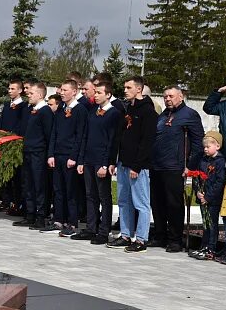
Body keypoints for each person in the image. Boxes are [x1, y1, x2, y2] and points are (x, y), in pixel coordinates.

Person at [149, 86, 204, 252]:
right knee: (157, 203)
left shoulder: (189, 115)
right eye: (165, 96)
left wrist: (190, 166)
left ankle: (175, 239)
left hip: (175, 166)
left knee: (174, 203)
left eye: (171, 96)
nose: (167, 99)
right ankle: (160, 235)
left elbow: (197, 143)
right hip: (157, 165)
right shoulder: (163, 115)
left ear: (181, 96)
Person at [107, 76, 157, 253]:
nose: (125, 90)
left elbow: (147, 141)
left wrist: (138, 165)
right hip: (123, 163)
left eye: (129, 87)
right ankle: (126, 234)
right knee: (123, 201)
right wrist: (113, 160)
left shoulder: (148, 112)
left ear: (139, 89)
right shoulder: (128, 109)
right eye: (125, 87)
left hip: (137, 166)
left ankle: (142, 239)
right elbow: (119, 137)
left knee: (141, 203)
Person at [74, 82, 121, 243]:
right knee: (90, 195)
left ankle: (103, 230)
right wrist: (81, 160)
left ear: (108, 95)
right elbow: (85, 136)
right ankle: (91, 228)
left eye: (99, 92)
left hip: (101, 161)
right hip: (88, 159)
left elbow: (111, 140)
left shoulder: (114, 113)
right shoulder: (93, 111)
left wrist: (105, 163)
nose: (96, 95)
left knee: (104, 196)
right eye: (96, 92)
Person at [42, 80, 87, 233]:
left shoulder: (80, 110)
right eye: (61, 90)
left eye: (65, 90)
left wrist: (74, 156)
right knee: (58, 190)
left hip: (70, 157)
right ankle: (58, 220)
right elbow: (54, 132)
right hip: (58, 155)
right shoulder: (61, 109)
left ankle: (72, 223)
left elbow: (80, 135)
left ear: (74, 92)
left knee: (71, 191)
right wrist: (51, 154)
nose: (62, 92)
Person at [12, 82, 54, 229]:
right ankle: (29, 214)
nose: (28, 95)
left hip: (39, 153)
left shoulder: (45, 111)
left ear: (41, 95)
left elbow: (49, 135)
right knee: (28, 184)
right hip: (28, 152)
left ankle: (40, 216)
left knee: (39, 185)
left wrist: (49, 155)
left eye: (31, 93)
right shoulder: (33, 110)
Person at [0, 80, 28, 215]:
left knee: (16, 177)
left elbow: (21, 125)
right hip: (4, 142)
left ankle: (17, 203)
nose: (9, 91)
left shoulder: (23, 107)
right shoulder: (6, 105)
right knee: (4, 174)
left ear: (20, 91)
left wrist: (12, 137)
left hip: (14, 143)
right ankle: (5, 201)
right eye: (9, 88)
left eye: (13, 89)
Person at [189, 131, 226, 261]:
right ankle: (203, 246)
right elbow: (197, 176)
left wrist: (208, 197)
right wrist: (198, 192)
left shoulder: (220, 162)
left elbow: (219, 182)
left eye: (208, 147)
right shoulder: (203, 160)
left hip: (212, 199)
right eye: (204, 147)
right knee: (205, 223)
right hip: (202, 196)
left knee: (212, 224)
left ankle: (211, 248)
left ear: (217, 146)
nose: (205, 149)